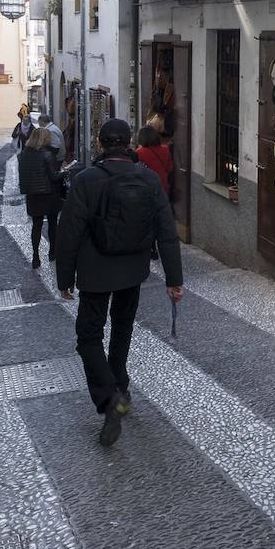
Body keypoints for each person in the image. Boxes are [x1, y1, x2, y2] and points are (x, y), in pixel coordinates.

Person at [56, 118, 182, 446]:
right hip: (133, 270)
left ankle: (110, 395)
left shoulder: (85, 180)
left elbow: (69, 231)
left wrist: (65, 277)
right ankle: (120, 386)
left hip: (95, 271)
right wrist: (174, 279)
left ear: (100, 143)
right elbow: (167, 231)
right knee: (122, 328)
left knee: (88, 336)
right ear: (128, 144)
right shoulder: (148, 178)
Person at [19, 127, 64, 269]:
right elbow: (54, 177)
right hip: (49, 193)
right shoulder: (47, 154)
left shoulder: (24, 154)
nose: (50, 139)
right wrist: (65, 172)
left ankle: (35, 256)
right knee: (52, 224)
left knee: (36, 226)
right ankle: (52, 253)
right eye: (48, 137)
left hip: (33, 195)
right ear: (44, 139)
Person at [134, 125, 172, 197]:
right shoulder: (165, 149)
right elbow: (169, 168)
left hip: (146, 187)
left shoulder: (139, 152)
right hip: (162, 185)